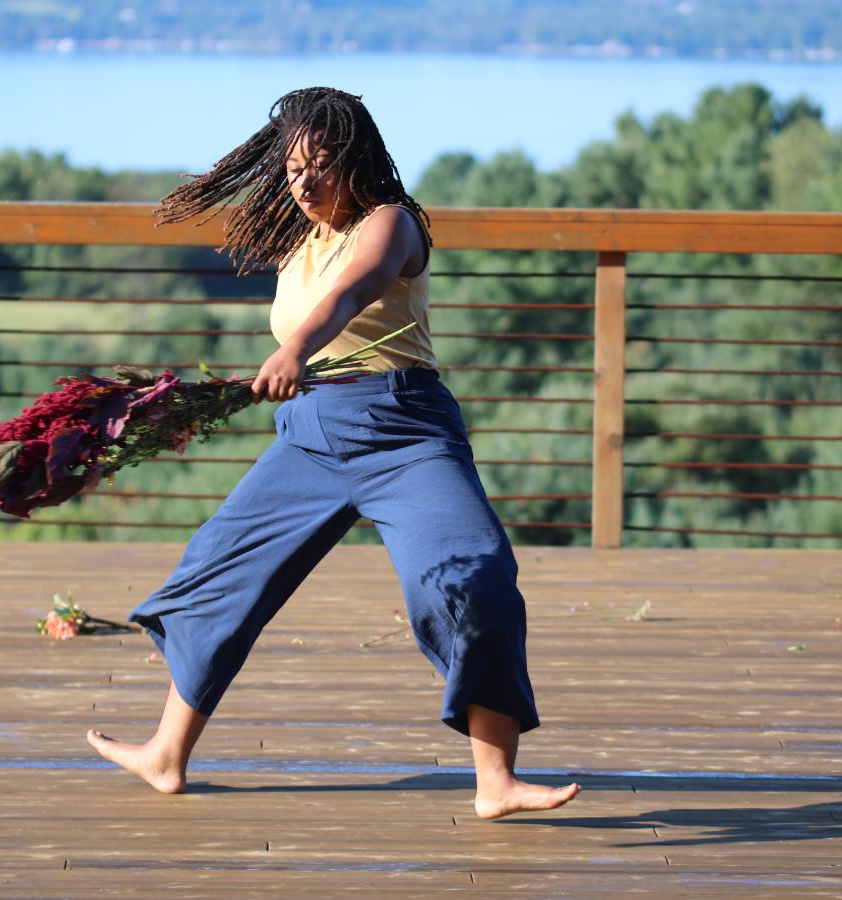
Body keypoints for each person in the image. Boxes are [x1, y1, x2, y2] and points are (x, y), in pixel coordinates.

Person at [87, 86, 579, 820]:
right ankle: (166, 755)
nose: (306, 182)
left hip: (404, 432)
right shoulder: (299, 242)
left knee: (471, 577)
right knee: (219, 573)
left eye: (322, 164)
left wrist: (295, 349)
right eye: (293, 170)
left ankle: (495, 781)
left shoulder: (392, 222)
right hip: (311, 436)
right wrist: (293, 366)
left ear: (358, 159)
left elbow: (353, 293)